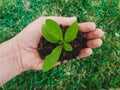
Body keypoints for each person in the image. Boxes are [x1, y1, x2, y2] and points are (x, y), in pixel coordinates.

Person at [0, 16, 104, 86]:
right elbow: (48, 26)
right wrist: (17, 50)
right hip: (61, 42)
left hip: (65, 43)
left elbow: (69, 43)